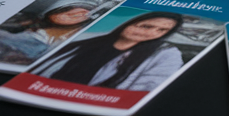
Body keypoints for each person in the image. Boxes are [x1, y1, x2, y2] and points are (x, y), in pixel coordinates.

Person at [30, 12, 185, 91]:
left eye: (162, 30)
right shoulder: (84, 40)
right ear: (129, 23)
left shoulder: (166, 54)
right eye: (146, 26)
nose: (151, 33)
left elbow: (149, 87)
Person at [0, 0, 105, 65]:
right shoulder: (2, 38)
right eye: (65, 10)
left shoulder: (87, 41)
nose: (78, 13)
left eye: (86, 11)